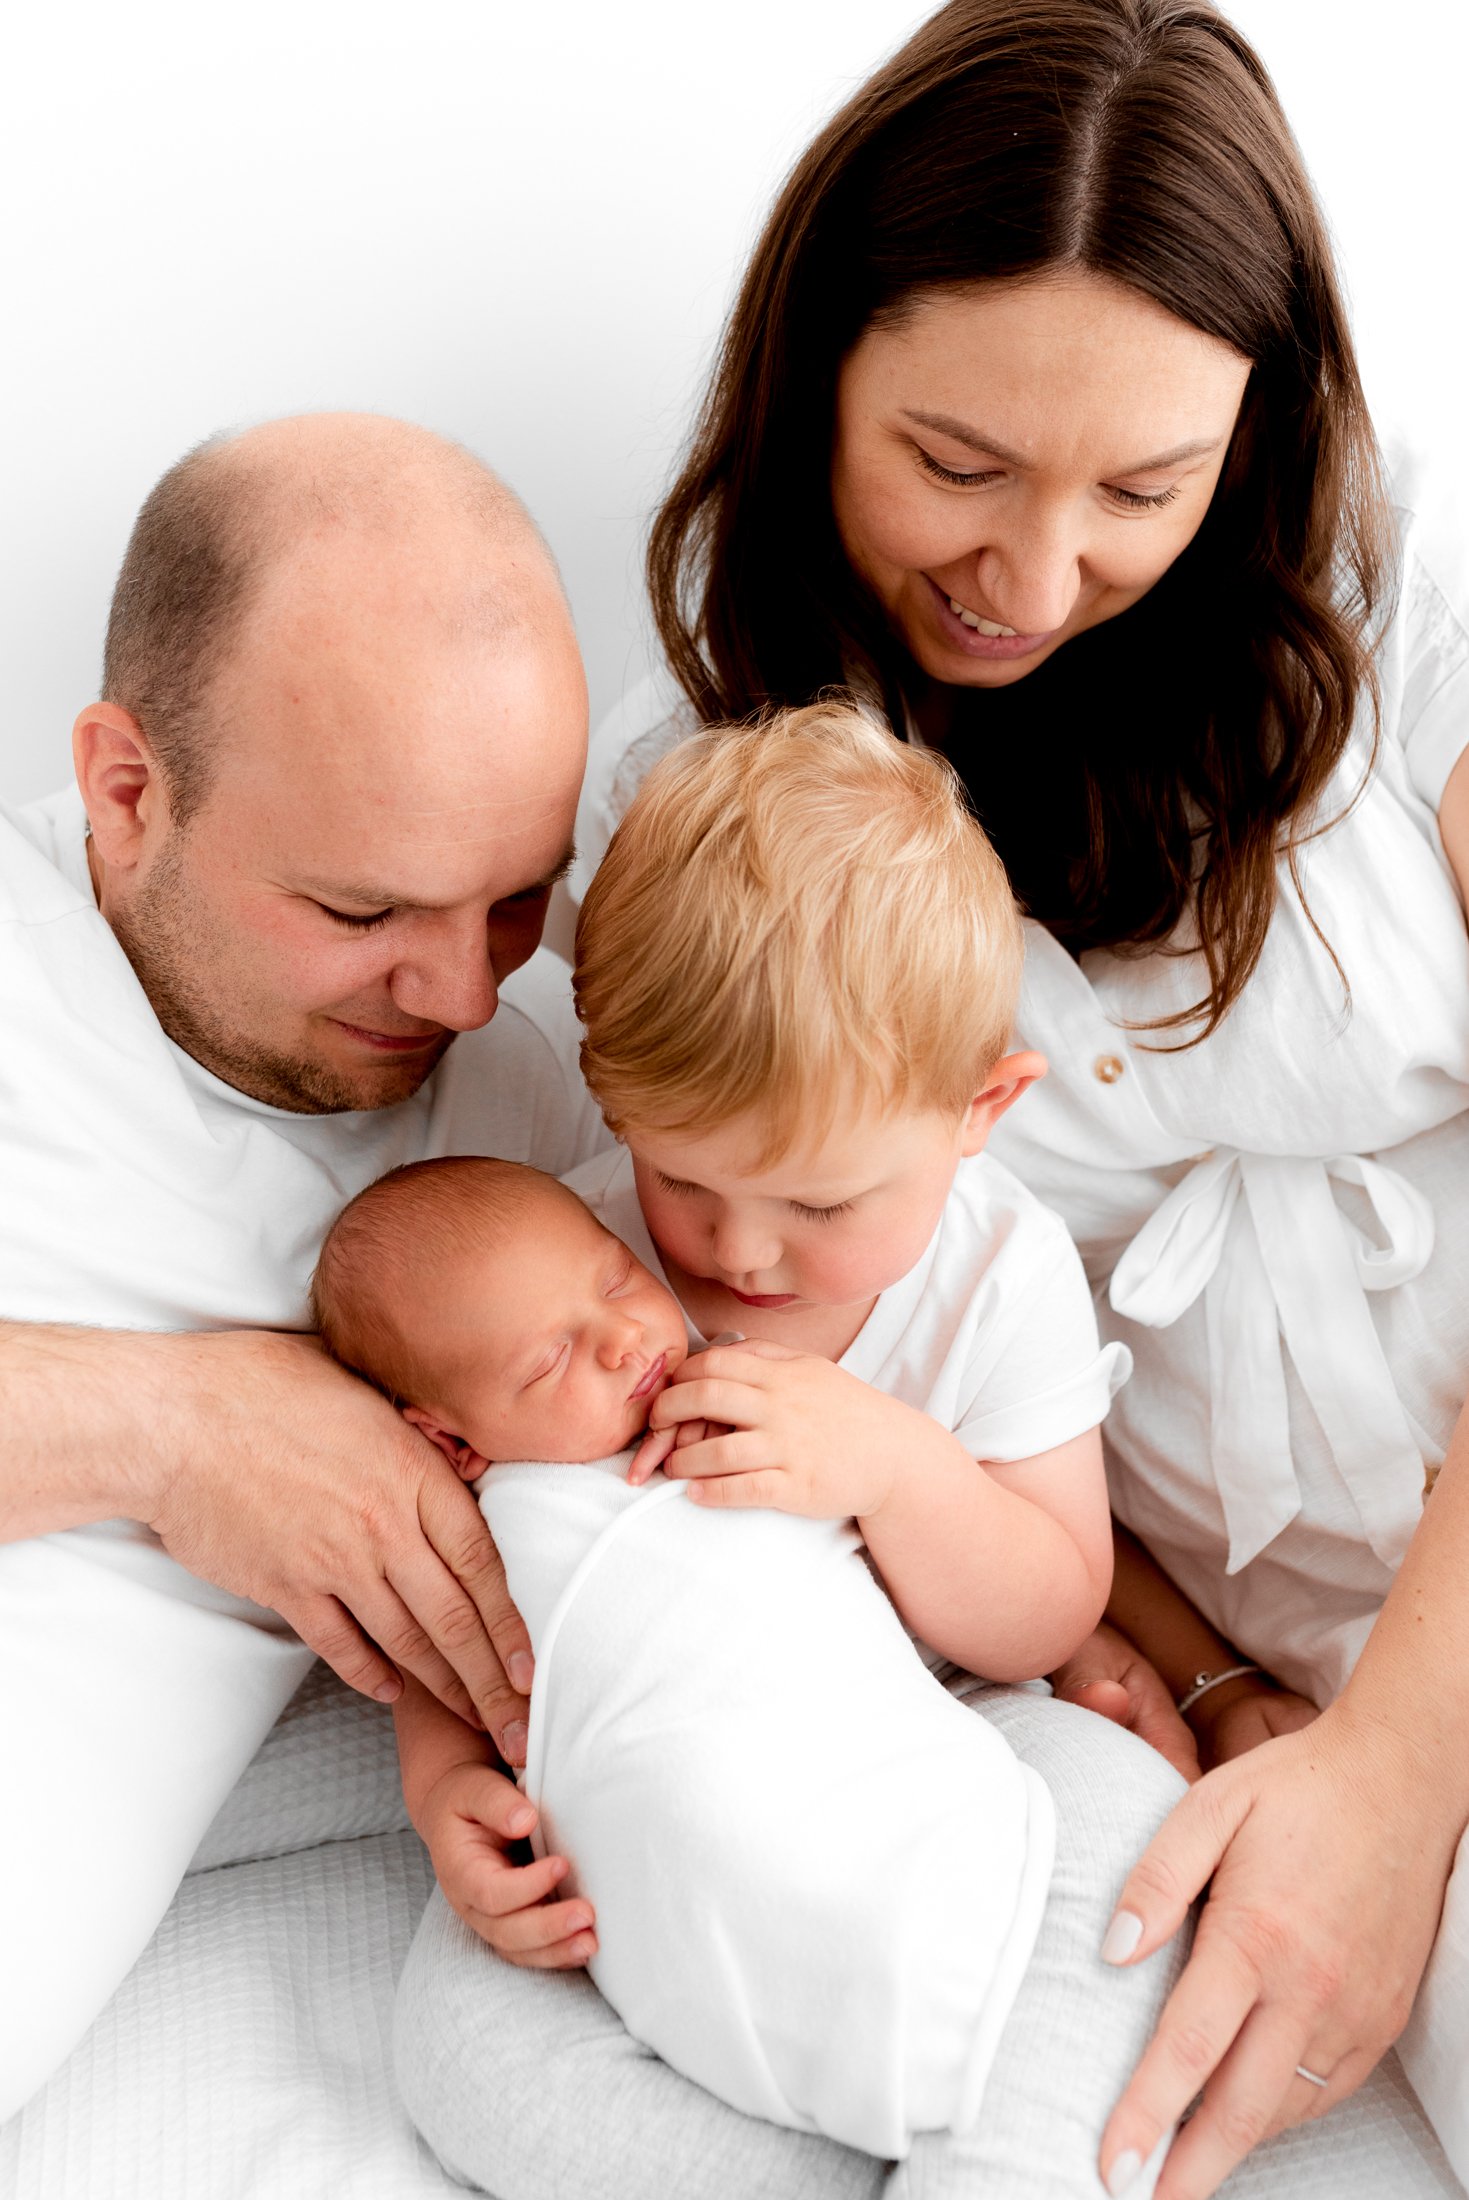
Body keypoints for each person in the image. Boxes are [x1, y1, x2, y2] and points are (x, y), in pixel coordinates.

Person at [565, 2, 1469, 2194]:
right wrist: (1222, 1694)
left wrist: (1396, 1764)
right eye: (957, 466)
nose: (1034, 572)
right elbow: (896, 1361)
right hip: (1215, 1651)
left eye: (1145, 489)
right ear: (817, 386)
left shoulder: (1411, 606)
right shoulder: (722, 834)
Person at [373, 707, 1190, 2193]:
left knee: (1126, 1819)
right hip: (633, 1784)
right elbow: (460, 1601)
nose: (739, 1252)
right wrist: (444, 1794)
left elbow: (1053, 1605)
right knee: (455, 2041)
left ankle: (1011, 2158)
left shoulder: (993, 1273)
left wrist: (890, 1468)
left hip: (932, 1741)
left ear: (980, 1112)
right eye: (680, 1175)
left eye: (819, 1205)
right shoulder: (563, 1269)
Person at [0, 411, 608, 2117]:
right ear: (129, 793)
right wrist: (175, 1429)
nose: (462, 994)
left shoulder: (543, 1100)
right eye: (362, 915)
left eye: (515, 898)